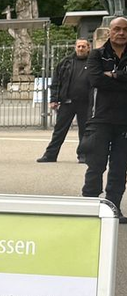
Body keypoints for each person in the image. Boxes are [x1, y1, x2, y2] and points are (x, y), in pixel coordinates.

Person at [81, 16, 127, 222]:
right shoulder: (97, 55)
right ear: (109, 31)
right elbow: (95, 79)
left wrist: (114, 75)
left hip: (124, 122)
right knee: (96, 165)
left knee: (120, 168)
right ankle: (89, 207)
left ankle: (113, 209)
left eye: (125, 29)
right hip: (100, 119)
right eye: (117, 29)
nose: (121, 33)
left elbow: (105, 79)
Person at [38, 40, 93, 163]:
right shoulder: (65, 62)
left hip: (86, 103)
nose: (80, 48)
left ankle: (83, 155)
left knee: (85, 131)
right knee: (59, 130)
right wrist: (54, 100)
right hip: (67, 102)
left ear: (88, 48)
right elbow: (56, 82)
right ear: (75, 47)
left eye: (83, 46)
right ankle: (50, 155)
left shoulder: (93, 63)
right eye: (78, 46)